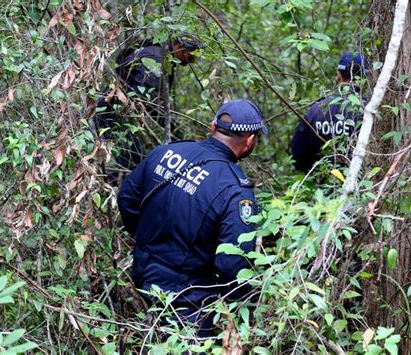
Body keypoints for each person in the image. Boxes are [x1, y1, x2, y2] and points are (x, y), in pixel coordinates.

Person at [117, 99, 266, 336]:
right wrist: (242, 308)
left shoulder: (165, 152)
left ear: (213, 126)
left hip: (141, 276)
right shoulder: (236, 190)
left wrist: (148, 243)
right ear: (249, 141)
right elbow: (233, 263)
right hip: (188, 300)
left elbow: (126, 199)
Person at [94, 33, 204, 183]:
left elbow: (152, 103)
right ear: (178, 46)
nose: (192, 59)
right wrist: (178, 134)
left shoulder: (160, 56)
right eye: (190, 53)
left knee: (134, 159)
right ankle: (99, 184)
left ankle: (101, 183)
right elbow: (142, 99)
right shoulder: (156, 59)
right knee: (134, 161)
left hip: (114, 112)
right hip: (110, 113)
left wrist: (178, 134)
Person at [290, 52, 369, 173]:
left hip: (321, 186)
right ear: (365, 78)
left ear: (338, 74)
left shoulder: (316, 109)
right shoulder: (369, 110)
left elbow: (298, 154)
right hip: (362, 186)